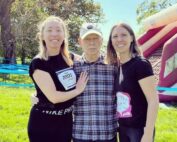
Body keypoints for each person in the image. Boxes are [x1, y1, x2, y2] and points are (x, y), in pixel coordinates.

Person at [28, 16, 88, 142]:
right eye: (49, 30)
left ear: (64, 35)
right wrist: (77, 90)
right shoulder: (39, 62)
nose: (54, 34)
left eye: (58, 30)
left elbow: (89, 58)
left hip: (66, 121)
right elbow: (54, 97)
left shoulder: (70, 57)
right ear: (42, 36)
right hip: (43, 124)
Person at [106, 22, 159, 142]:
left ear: (131, 38)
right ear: (111, 41)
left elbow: (153, 100)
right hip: (124, 128)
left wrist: (148, 133)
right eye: (115, 36)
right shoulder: (117, 66)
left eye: (124, 35)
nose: (119, 39)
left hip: (139, 130)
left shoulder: (140, 64)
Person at [72, 23, 118, 142]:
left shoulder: (114, 65)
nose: (91, 42)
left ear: (102, 40)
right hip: (81, 134)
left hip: (107, 134)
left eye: (95, 38)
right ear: (80, 41)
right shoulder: (72, 68)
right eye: (87, 39)